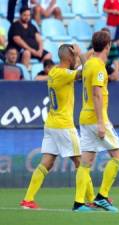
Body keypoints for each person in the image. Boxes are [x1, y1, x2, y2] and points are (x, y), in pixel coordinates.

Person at [19, 44, 92, 209]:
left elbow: (77, 68)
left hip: (51, 124)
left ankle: (28, 199)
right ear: (69, 58)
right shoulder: (64, 74)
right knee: (82, 162)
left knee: (47, 162)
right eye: (73, 57)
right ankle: (91, 200)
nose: (75, 59)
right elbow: (86, 73)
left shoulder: (53, 71)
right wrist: (81, 55)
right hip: (63, 125)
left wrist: (87, 53)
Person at [73, 31, 119, 212]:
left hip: (84, 118)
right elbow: (96, 93)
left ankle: (79, 203)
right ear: (108, 46)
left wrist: (80, 54)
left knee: (86, 161)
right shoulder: (99, 67)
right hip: (96, 118)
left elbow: (85, 65)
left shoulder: (88, 65)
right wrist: (102, 122)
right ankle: (102, 196)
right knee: (118, 156)